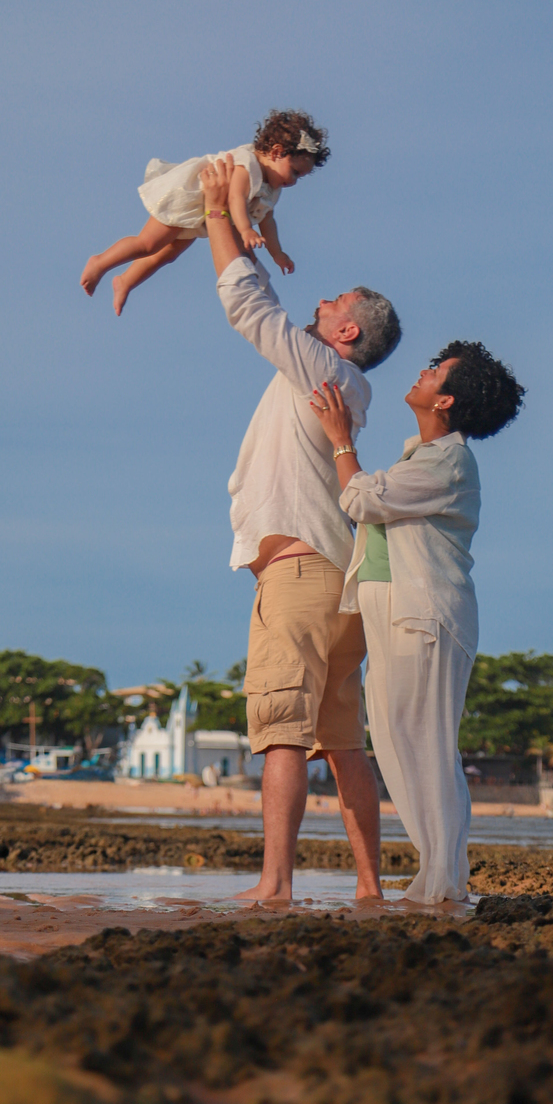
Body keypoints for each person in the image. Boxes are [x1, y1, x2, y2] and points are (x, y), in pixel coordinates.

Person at [196, 153, 402, 905]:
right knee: (343, 743)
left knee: (281, 727)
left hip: (302, 575)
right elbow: (264, 301)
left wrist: (215, 211)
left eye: (333, 301)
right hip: (340, 584)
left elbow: (248, 305)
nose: (319, 301)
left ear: (345, 329)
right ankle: (370, 886)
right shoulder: (342, 381)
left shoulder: (321, 369)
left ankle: (275, 884)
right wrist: (241, 219)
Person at [310, 342, 525, 905]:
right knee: (400, 741)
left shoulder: (449, 462)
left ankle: (443, 882)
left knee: (424, 746)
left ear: (445, 399)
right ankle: (440, 877)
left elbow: (363, 499)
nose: (423, 374)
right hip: (395, 610)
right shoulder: (422, 455)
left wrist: (341, 441)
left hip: (424, 615)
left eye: (435, 372)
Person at [80, 109, 329, 316]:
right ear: (276, 152)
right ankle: (100, 262)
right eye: (294, 172)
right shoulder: (248, 165)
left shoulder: (272, 186)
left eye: (300, 177)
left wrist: (277, 253)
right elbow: (235, 198)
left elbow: (268, 220)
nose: (294, 181)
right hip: (187, 200)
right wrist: (245, 230)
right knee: (148, 244)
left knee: (168, 255)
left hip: (201, 215)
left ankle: (125, 281)